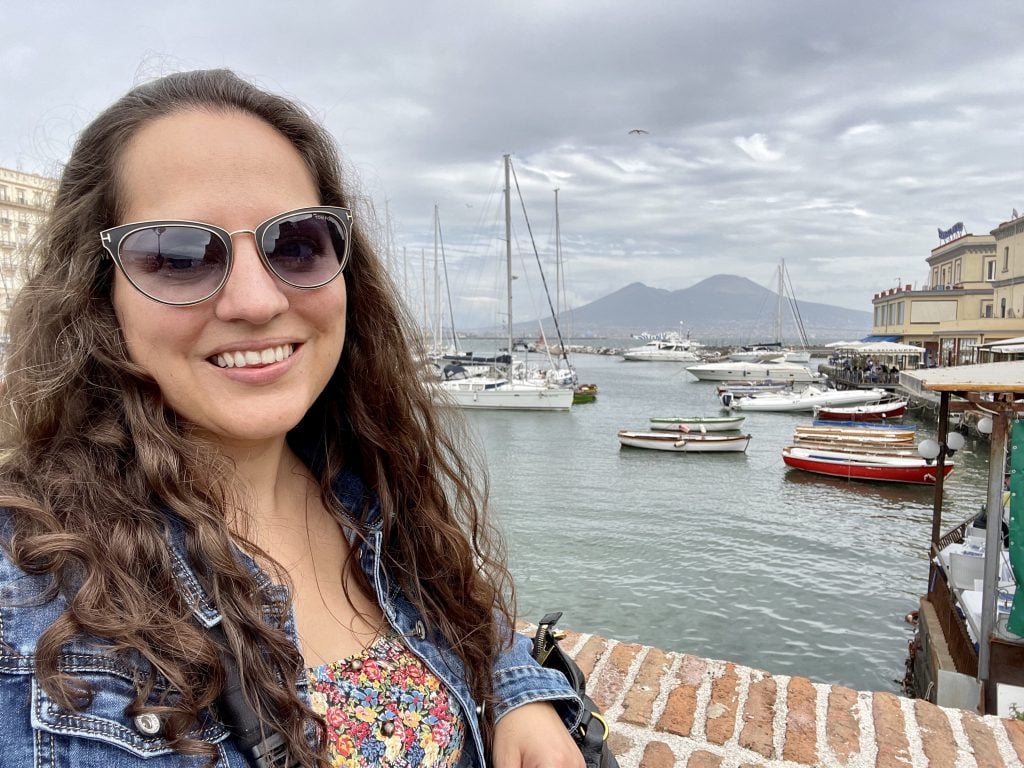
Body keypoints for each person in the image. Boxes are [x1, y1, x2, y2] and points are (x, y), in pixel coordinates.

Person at [0, 70, 583, 767]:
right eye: (178, 255)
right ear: (99, 298)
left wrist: (519, 692)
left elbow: (464, 613)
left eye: (296, 243)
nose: (255, 300)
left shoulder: (369, 492)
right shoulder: (25, 596)